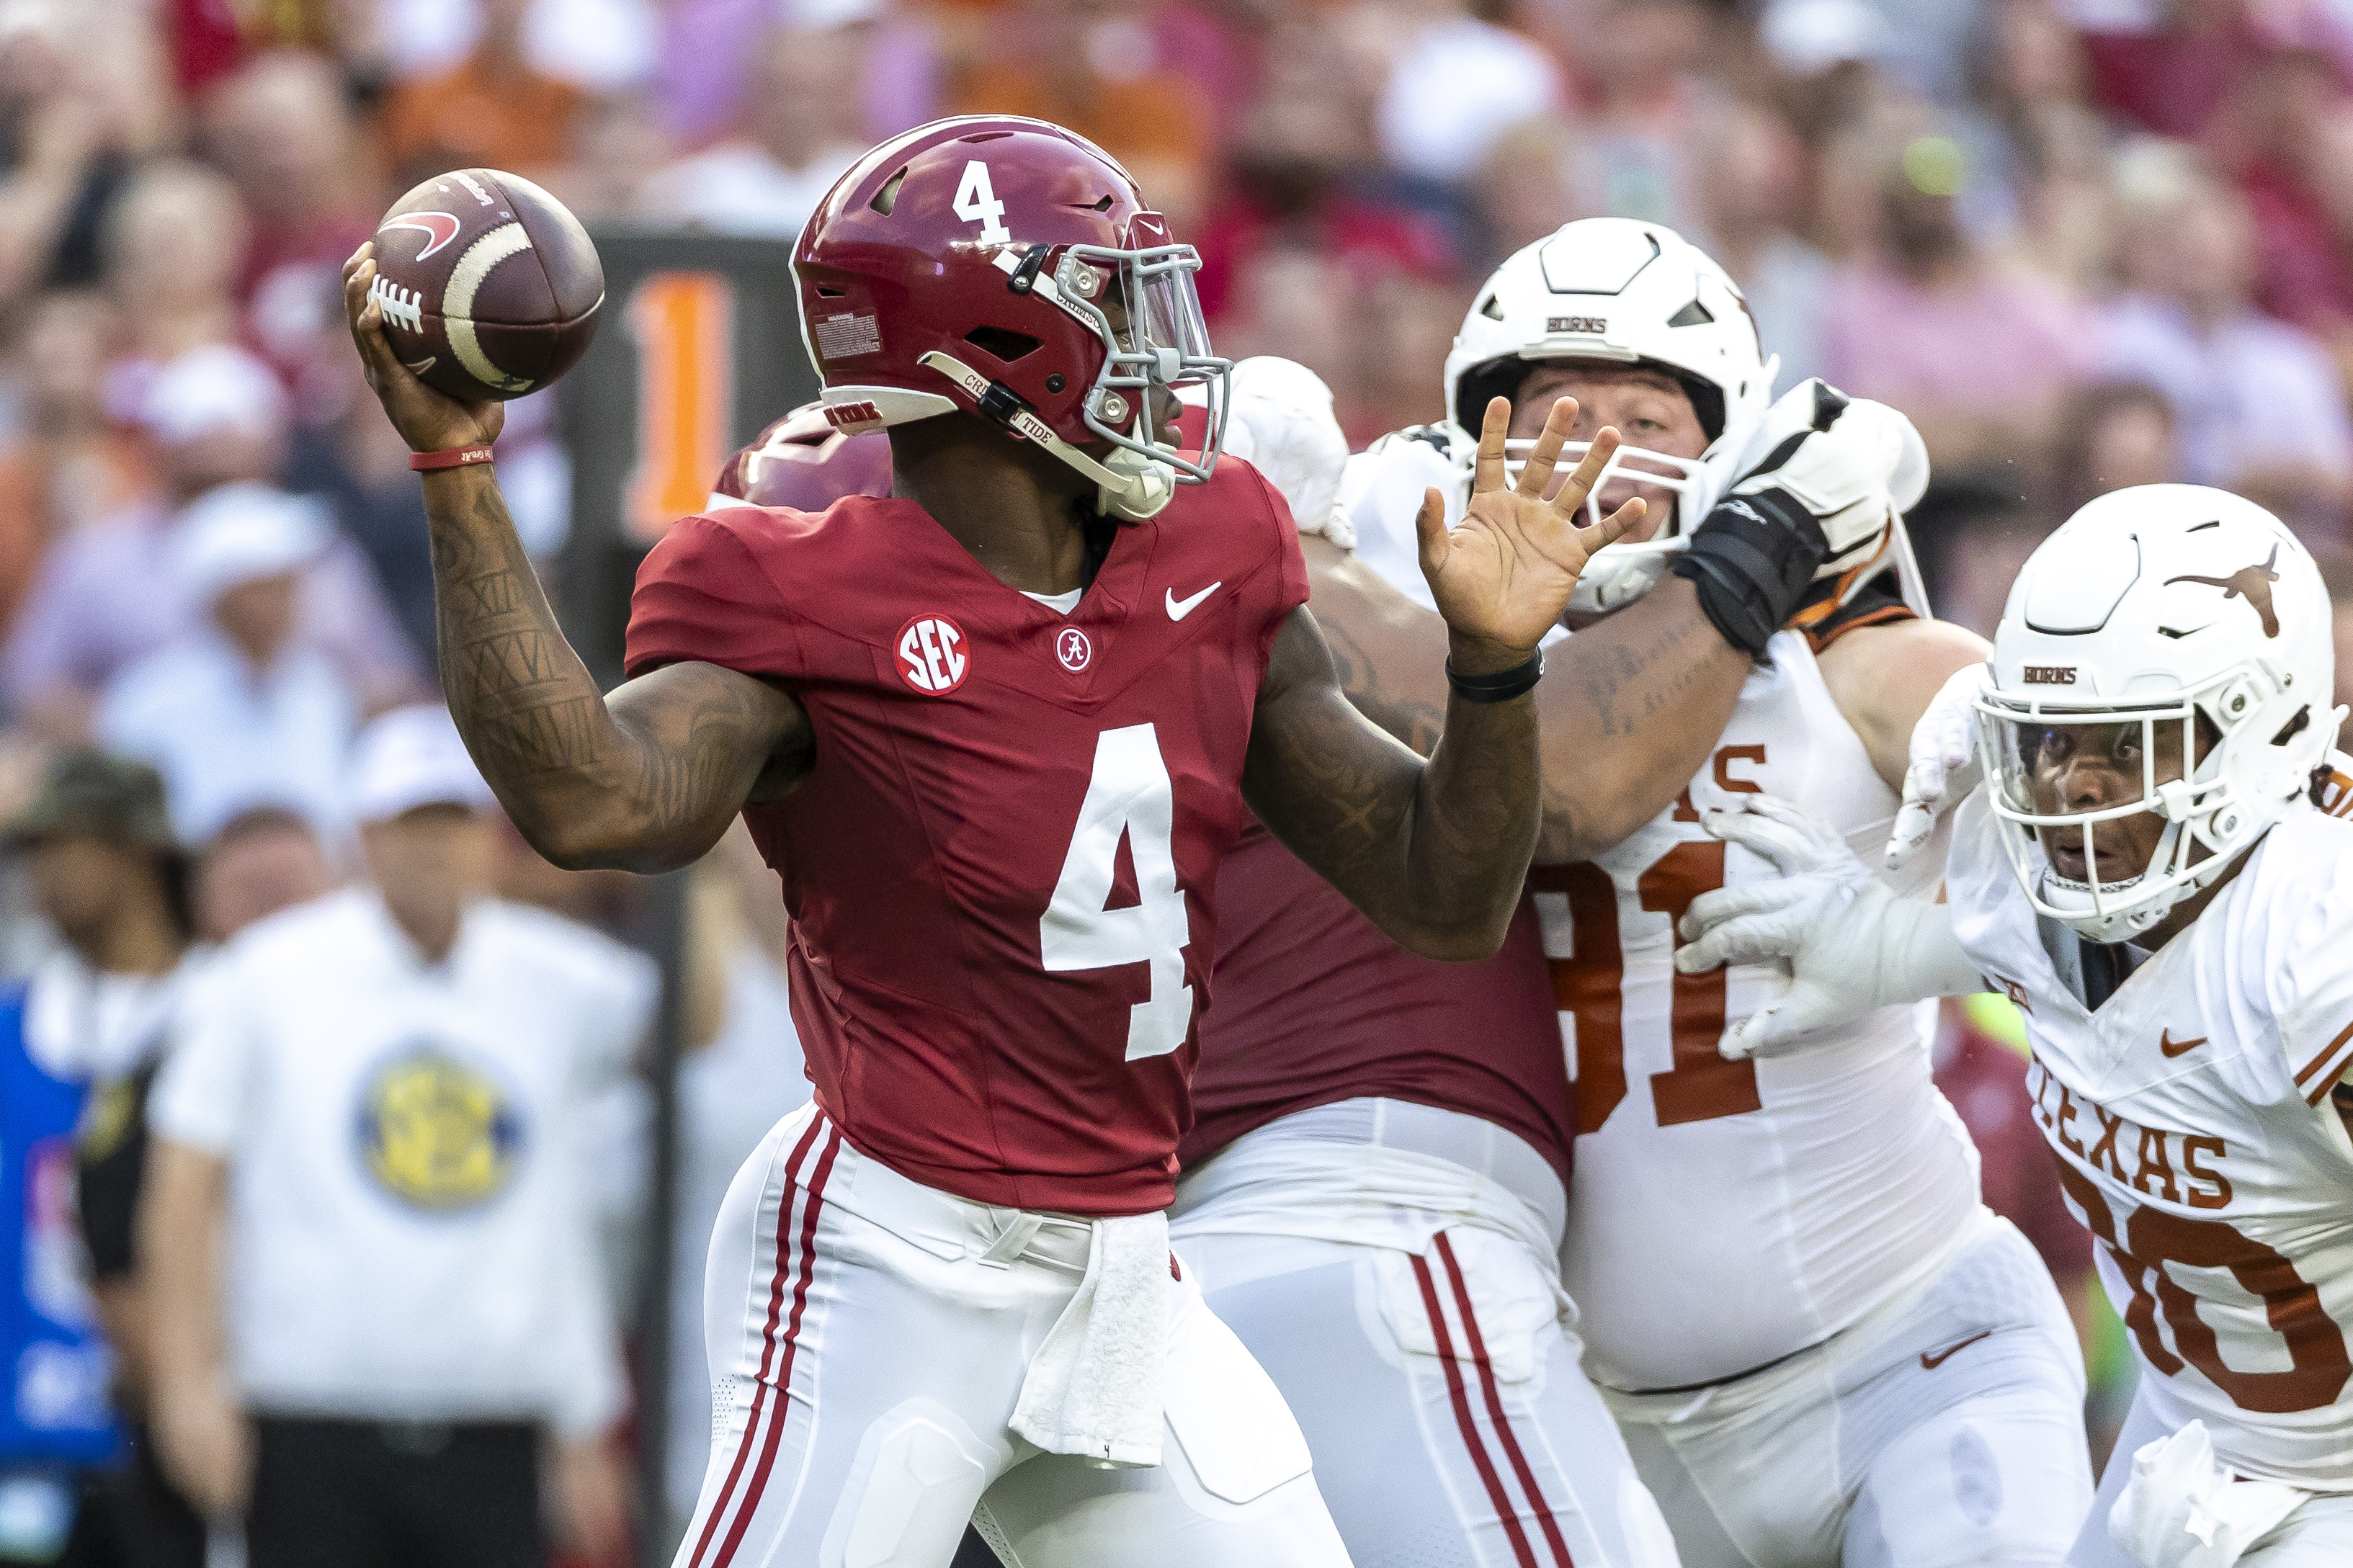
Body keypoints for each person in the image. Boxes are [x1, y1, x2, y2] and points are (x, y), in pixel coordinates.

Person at [341, 112, 1636, 1568]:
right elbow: (593, 801)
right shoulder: (803, 586)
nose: (1160, 344)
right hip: (895, 1247)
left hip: (1126, 1267)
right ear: (993, 354)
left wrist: (1491, 667)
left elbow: (1443, 893)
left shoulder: (1217, 544)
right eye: (1114, 299)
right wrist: (458, 471)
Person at [1270, 216, 2095, 1567]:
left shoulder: (1853, 661)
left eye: (1648, 412)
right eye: (1555, 412)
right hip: (1577, 1413)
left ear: (1736, 442)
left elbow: (2119, 843)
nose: (1601, 453)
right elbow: (1556, 784)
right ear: (1465, 436)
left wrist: (1940, 941)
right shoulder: (1415, 662)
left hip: (1911, 1345)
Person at [1674, 485, 2353, 1565]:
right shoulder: (2032, 855)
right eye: (2051, 741)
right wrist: (1884, 946)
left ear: (2257, 730)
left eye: (2128, 749)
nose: (2074, 790)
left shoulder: (2317, 940)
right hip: (2178, 1437)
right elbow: (2040, 948)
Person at [140, 706, 646, 1568]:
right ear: (362, 838)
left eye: (451, 822)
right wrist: (186, 1383)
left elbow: (697, 1031)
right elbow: (183, 1179)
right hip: (307, 1416)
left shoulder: (561, 978)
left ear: (490, 838)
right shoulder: (266, 974)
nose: (431, 849)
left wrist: (692, 836)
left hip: (499, 1419)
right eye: (408, 825)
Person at [4, 752, 206, 1568]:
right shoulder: (17, 1024)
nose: (46, 874)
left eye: (70, 846)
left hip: (178, 1434)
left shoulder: (224, 1012)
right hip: (28, 1438)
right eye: (35, 852)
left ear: (141, 852)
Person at [96, 483, 359, 845]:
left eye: (289, 584)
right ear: (224, 598)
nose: (289, 601)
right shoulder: (146, 701)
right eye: (269, 586)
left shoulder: (320, 687)